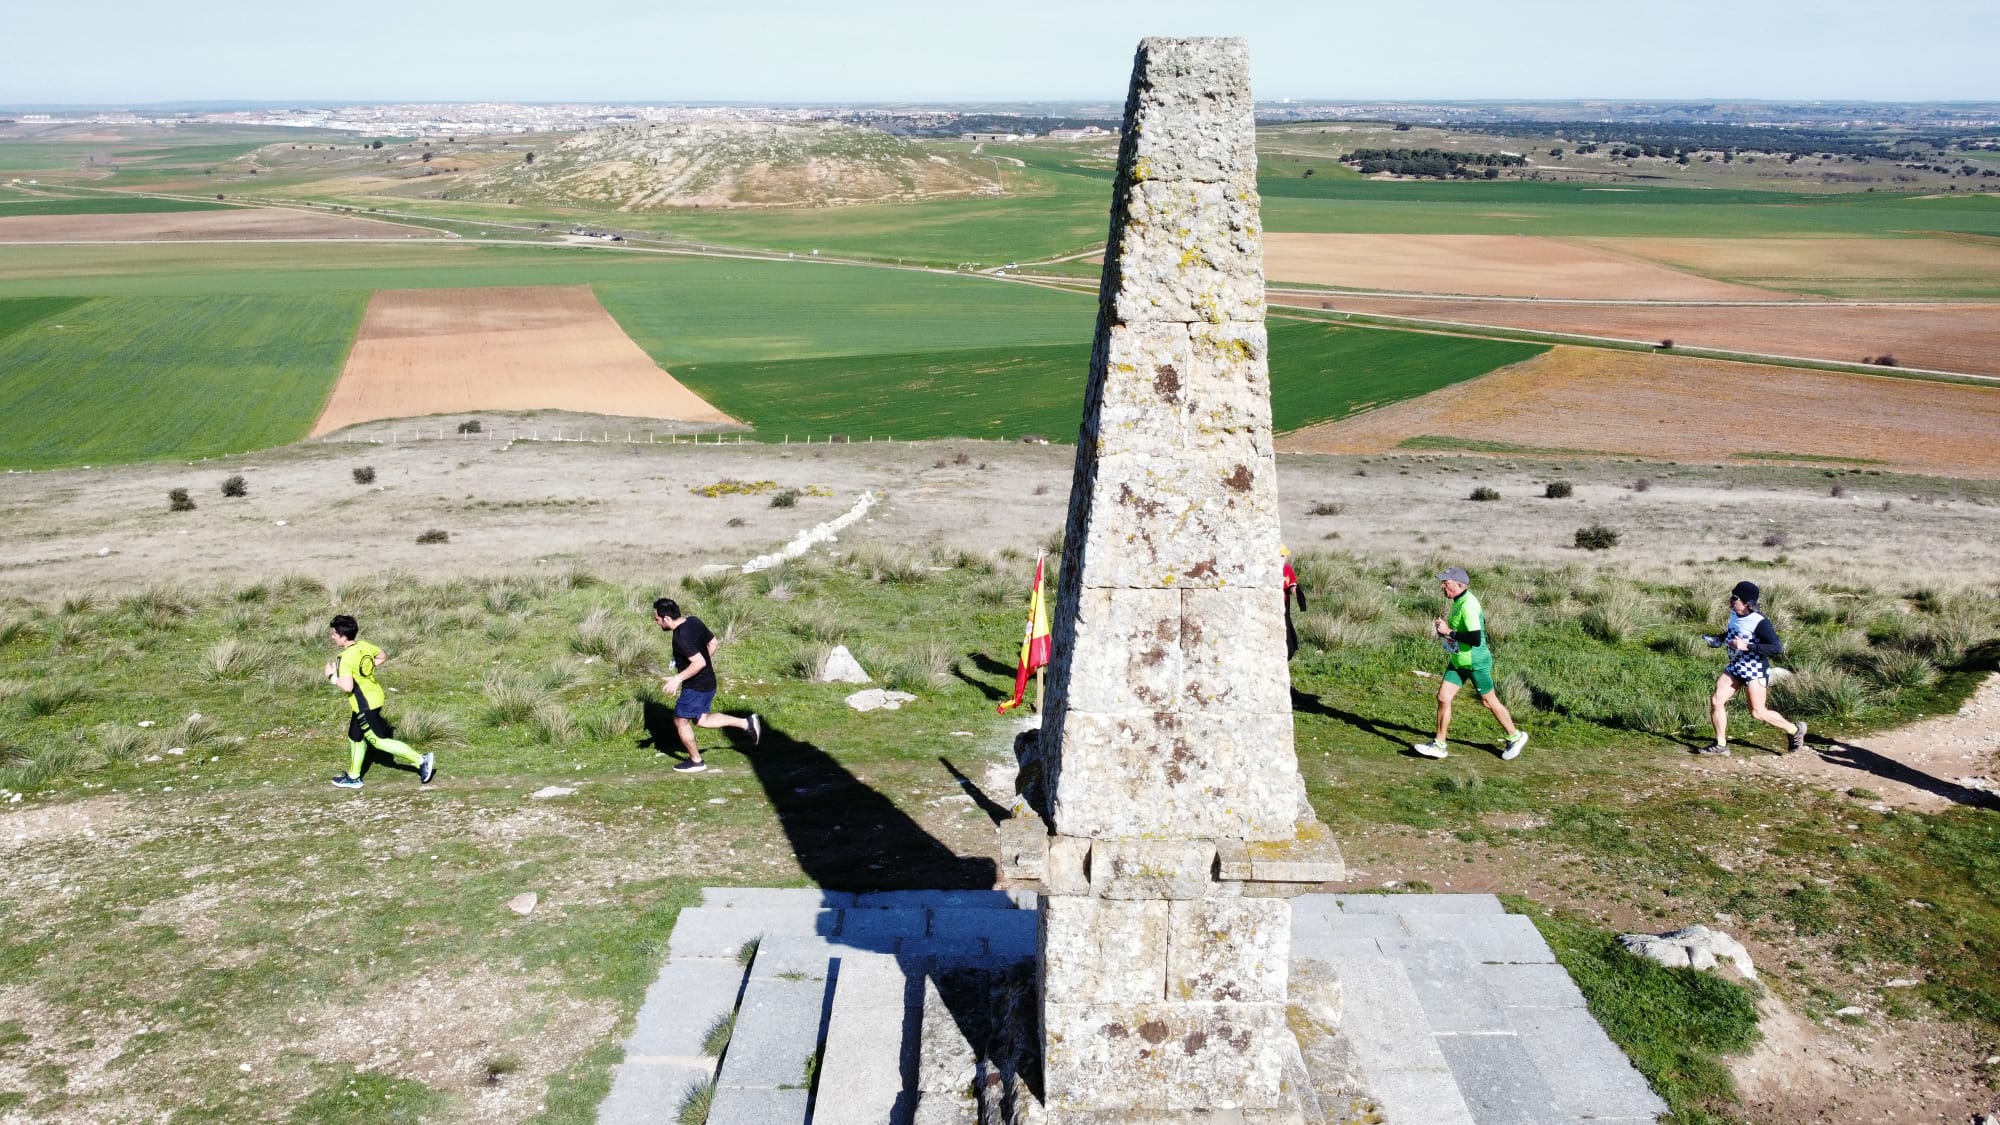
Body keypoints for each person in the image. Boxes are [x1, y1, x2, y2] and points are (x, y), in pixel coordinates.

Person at [1413, 567, 1529, 761]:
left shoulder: (1469, 605)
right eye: (1443, 582)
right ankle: (1440, 745)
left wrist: (1449, 632)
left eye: (1446, 582)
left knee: (1488, 701)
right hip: (1459, 660)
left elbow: (1475, 638)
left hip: (1475, 662)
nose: (1442, 586)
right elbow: (1458, 632)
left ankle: (1515, 737)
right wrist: (1444, 632)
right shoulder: (1458, 602)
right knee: (1443, 697)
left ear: (1459, 585)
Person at [1697, 581, 1807, 756]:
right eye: (1732, 595)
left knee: (1757, 712)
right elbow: (1733, 632)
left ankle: (1795, 730)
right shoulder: (1734, 614)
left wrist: (1747, 646)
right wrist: (1719, 639)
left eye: (1735, 597)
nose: (1731, 599)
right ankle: (1721, 744)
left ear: (1746, 603)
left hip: (1754, 669)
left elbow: (1777, 648)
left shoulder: (1760, 622)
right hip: (1735, 666)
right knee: (1717, 701)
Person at [653, 597, 762, 773]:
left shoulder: (680, 636)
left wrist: (677, 679)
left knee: (680, 721)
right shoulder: (693, 621)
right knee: (701, 719)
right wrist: (699, 664)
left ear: (666, 618)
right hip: (706, 681)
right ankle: (747, 723)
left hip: (696, 686)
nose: (657, 623)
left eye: (657, 619)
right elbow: (713, 643)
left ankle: (696, 761)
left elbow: (698, 663)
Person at [324, 614, 432, 789]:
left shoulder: (344, 658)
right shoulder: (364, 645)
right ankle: (353, 777)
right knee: (355, 737)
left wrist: (331, 676)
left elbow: (347, 687)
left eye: (334, 634)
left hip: (364, 704)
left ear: (343, 636)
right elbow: (382, 656)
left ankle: (421, 760)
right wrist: (365, 669)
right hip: (374, 696)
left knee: (378, 741)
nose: (332, 636)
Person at [1281, 546, 1307, 659]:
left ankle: (1289, 650)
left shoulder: (1287, 568)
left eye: (1284, 556)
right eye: (1281, 556)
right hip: (1276, 601)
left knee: (1286, 623)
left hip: (1285, 601)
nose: (1284, 558)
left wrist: (1293, 588)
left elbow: (1292, 580)